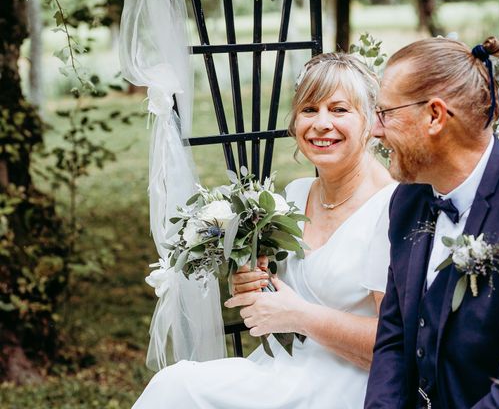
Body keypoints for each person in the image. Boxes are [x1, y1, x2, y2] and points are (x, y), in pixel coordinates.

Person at [133, 52, 396, 409]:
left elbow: (396, 347)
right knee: (175, 387)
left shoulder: (393, 207)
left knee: (178, 387)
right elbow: (276, 301)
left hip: (347, 385)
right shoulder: (296, 194)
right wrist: (252, 285)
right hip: (282, 368)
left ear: (370, 122)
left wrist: (297, 314)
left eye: (339, 110)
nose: (321, 123)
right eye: (309, 109)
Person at [365, 37, 499, 408]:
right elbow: (395, 337)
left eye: (385, 113)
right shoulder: (409, 198)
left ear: (434, 115)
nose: (376, 130)